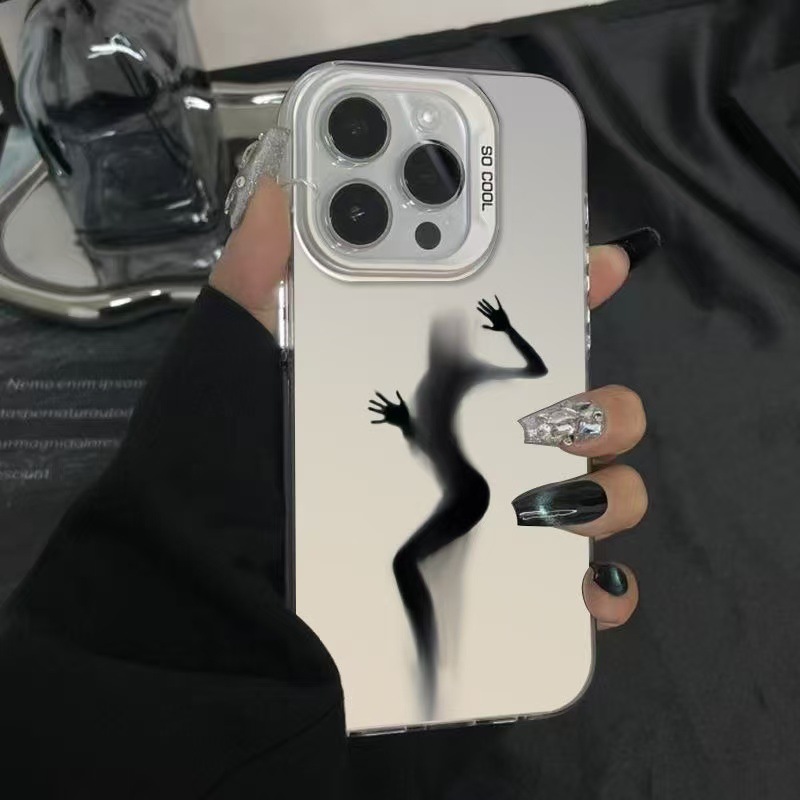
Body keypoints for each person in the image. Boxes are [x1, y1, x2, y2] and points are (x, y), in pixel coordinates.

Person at [0, 173, 655, 797]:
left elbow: (530, 373)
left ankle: (435, 661)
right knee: (409, 567)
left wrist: (507, 331)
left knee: (415, 565)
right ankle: (434, 666)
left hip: (469, 491)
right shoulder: (430, 372)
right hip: (448, 496)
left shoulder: (470, 371)